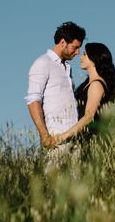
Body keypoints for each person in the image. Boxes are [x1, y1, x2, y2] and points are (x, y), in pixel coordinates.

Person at [25, 21, 86, 151]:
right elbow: (33, 101)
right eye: (75, 47)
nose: (78, 52)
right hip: (56, 139)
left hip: (74, 139)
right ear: (63, 42)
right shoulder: (43, 63)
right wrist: (45, 136)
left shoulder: (67, 67)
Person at [53, 42, 115, 147]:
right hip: (86, 140)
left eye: (85, 54)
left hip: (95, 142)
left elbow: (89, 117)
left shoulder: (96, 84)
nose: (81, 57)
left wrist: (63, 136)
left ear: (94, 59)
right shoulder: (87, 84)